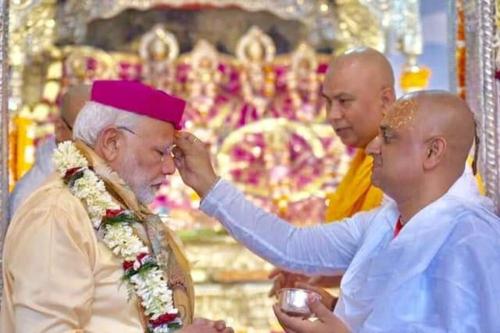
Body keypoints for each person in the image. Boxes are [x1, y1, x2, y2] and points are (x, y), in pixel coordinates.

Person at [173, 91, 500, 332]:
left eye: (388, 137)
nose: (372, 148)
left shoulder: (471, 237)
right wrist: (210, 186)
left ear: (432, 152)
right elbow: (292, 246)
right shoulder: (386, 221)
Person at [1, 80, 232, 333]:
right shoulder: (57, 213)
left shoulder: (127, 208)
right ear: (112, 142)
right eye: (160, 152)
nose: (169, 168)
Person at [268, 46, 396, 305]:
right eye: (327, 102)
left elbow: (397, 268)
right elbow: (367, 257)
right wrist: (320, 274)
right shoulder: (364, 160)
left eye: (344, 101)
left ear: (386, 100)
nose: (332, 116)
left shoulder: (409, 167)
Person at [8, 84, 90, 219]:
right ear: (60, 129)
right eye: (87, 135)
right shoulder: (33, 197)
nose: (99, 145)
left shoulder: (97, 175)